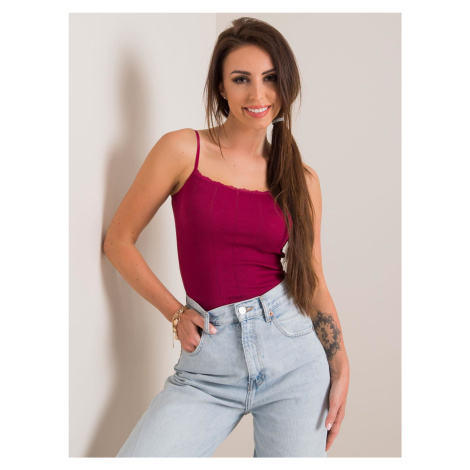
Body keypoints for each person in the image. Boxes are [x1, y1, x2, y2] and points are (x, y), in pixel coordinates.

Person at [103, 16, 350, 458]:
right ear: (221, 87)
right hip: (209, 365)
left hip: (294, 359)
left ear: (285, 85)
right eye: (241, 79)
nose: (258, 95)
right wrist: (175, 313)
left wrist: (340, 361)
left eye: (270, 78)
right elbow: (119, 240)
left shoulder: (302, 179)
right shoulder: (182, 150)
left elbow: (312, 279)